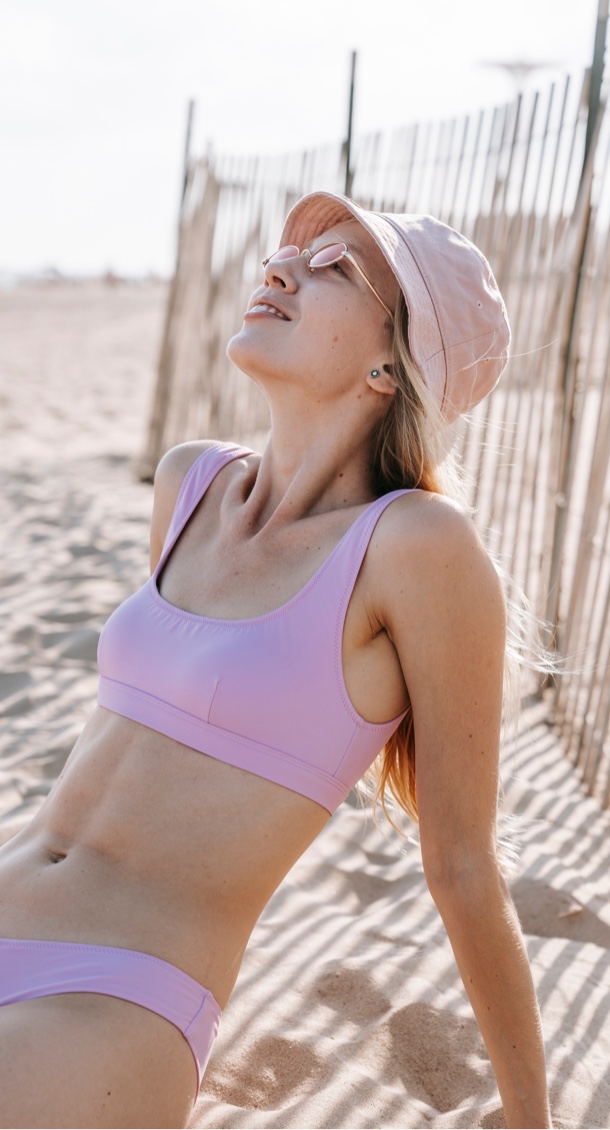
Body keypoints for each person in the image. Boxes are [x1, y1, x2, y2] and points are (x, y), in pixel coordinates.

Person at [0, 190, 551, 1129]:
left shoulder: (418, 548)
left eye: (336, 267)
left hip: (110, 996)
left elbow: (464, 865)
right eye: (290, 253)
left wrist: (531, 1119)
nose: (282, 268)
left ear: (391, 364)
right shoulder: (191, 484)